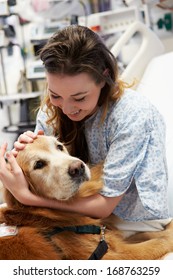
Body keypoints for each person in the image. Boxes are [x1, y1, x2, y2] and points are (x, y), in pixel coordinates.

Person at [0, 25, 171, 235]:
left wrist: (27, 197)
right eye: (55, 95)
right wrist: (27, 157)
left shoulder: (133, 115)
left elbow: (103, 206)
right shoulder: (50, 111)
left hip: (133, 222)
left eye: (79, 98)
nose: (67, 108)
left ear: (103, 77)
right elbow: (49, 186)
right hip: (75, 214)